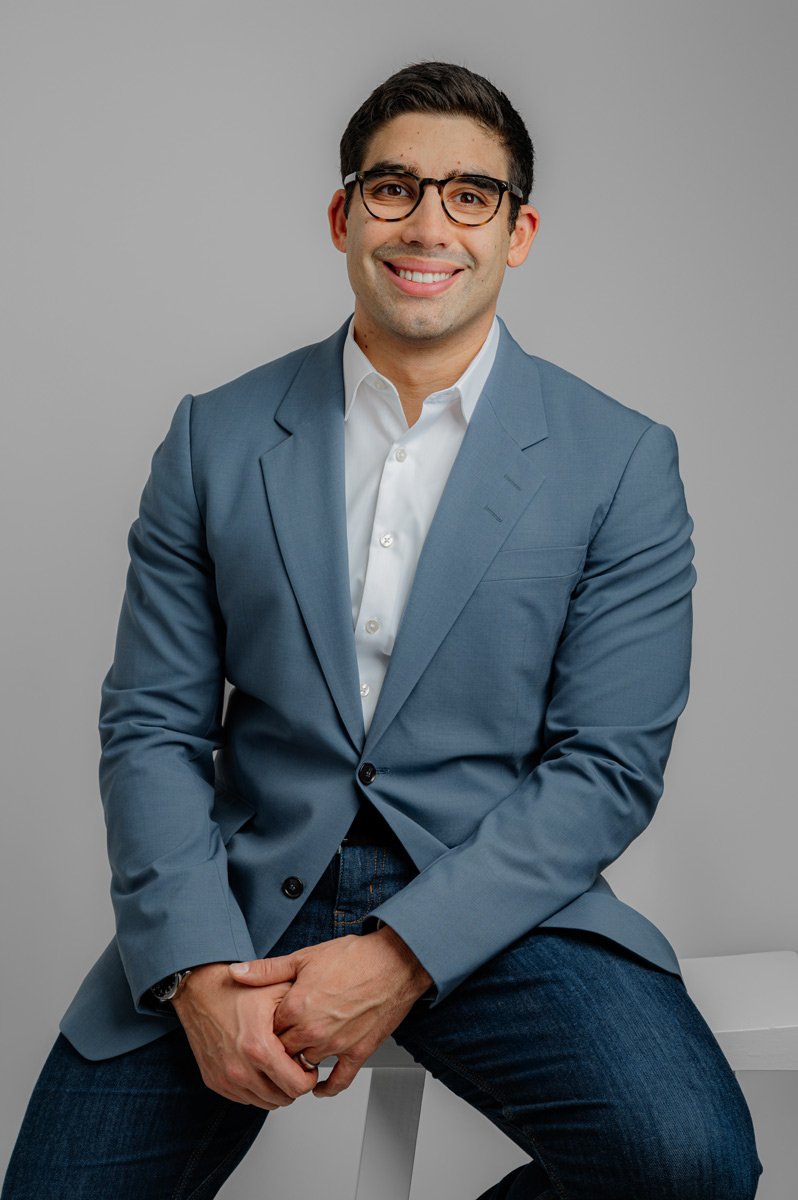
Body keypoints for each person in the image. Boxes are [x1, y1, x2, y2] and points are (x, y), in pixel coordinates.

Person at [2, 61, 762, 1200]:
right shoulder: (213, 438)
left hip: (500, 895)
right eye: (394, 186)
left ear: (519, 230)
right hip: (245, 892)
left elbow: (606, 768)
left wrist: (402, 953)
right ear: (343, 215)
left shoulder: (620, 460)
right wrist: (199, 968)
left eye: (471, 195)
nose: (429, 223)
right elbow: (153, 726)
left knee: (689, 1168)